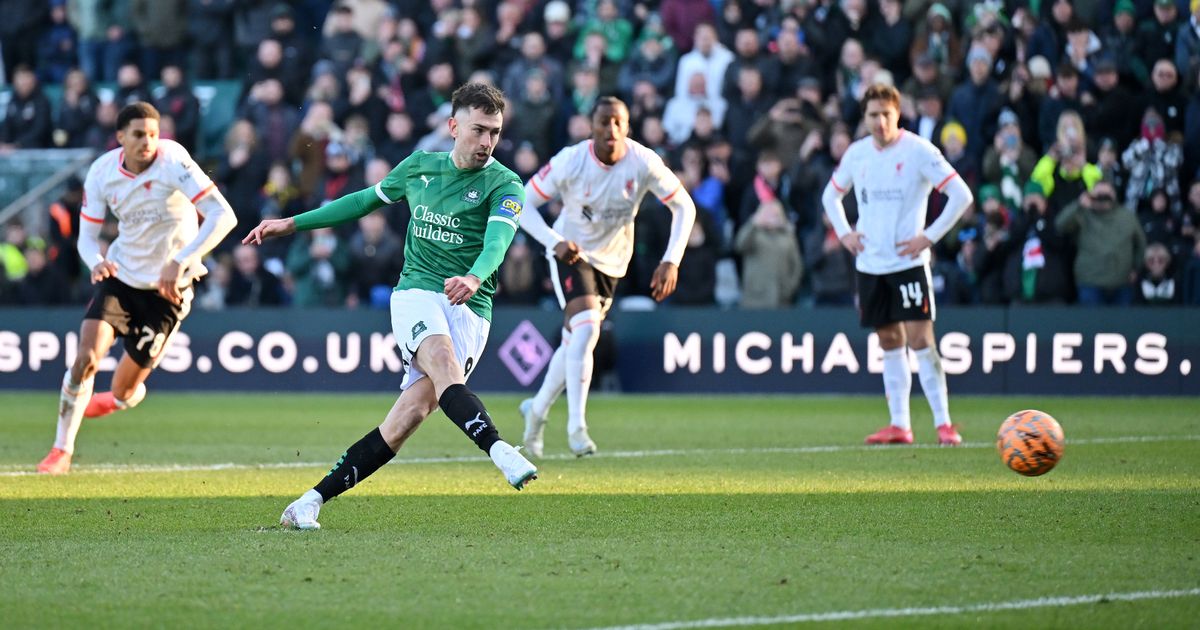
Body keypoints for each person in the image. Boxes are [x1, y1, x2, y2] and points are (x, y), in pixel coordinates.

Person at [242, 83, 537, 530]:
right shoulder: (419, 167)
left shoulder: (506, 183)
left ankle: (308, 502)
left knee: (406, 420)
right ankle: (500, 450)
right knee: (442, 361)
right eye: (478, 130)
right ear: (453, 127)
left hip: (472, 306)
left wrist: (475, 277)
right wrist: (293, 223)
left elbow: (498, 241)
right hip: (417, 291)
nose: (487, 141)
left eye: (494, 132)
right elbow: (362, 201)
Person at [37, 102, 238, 474]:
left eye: (153, 134)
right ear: (120, 137)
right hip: (121, 278)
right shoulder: (102, 173)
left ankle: (117, 399)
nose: (148, 142)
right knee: (85, 359)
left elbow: (224, 215)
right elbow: (86, 238)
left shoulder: (173, 160)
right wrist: (96, 262)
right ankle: (61, 450)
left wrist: (183, 259)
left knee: (123, 390)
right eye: (139, 135)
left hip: (169, 291)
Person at [516, 96, 696, 458]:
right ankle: (577, 428)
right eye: (604, 122)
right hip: (570, 252)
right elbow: (521, 203)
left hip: (612, 262)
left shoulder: (643, 161)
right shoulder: (570, 161)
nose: (611, 129)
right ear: (591, 126)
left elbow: (684, 206)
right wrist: (554, 242)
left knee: (574, 341)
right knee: (587, 330)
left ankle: (536, 410)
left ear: (627, 127)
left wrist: (671, 260)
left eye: (618, 122)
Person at [821, 84, 974, 446]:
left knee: (921, 341)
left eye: (886, 114)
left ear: (898, 114)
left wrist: (929, 236)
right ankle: (900, 425)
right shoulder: (857, 153)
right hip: (870, 265)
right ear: (865, 118)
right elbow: (830, 196)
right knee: (889, 341)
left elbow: (961, 195)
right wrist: (845, 233)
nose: (880, 122)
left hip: (908, 264)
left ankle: (943, 424)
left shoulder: (919, 150)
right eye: (873, 115)